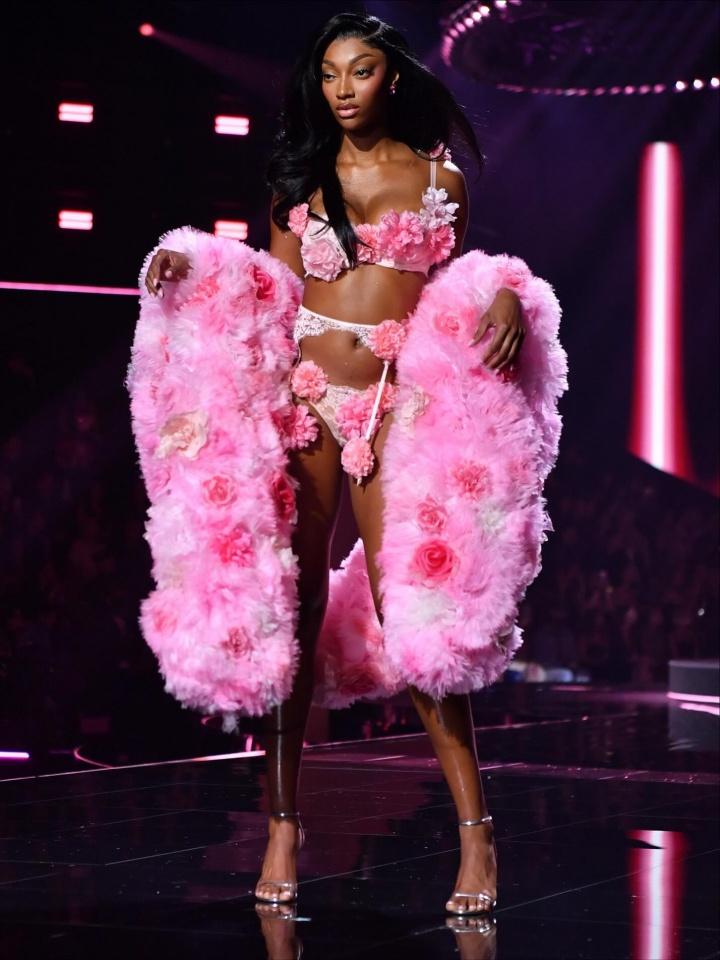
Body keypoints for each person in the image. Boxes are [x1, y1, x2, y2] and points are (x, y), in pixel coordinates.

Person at [134, 12, 567, 918]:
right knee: (286, 614)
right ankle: (282, 823)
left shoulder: (439, 178)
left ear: (390, 79)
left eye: (360, 71)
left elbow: (456, 287)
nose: (342, 89)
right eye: (329, 73)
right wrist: (187, 263)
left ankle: (477, 836)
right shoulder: (299, 177)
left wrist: (508, 296)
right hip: (306, 404)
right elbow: (270, 290)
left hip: (395, 407)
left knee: (413, 619)